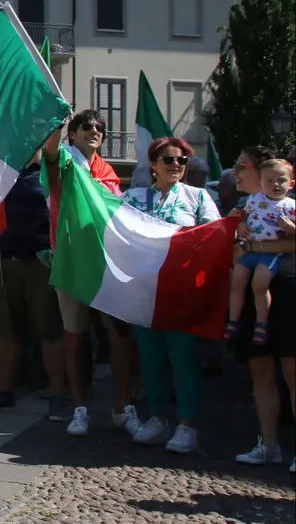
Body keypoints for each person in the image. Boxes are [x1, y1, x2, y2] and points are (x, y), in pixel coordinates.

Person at [119, 136, 221, 454]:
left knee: (183, 356)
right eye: (169, 160)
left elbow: (215, 235)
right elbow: (120, 232)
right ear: (153, 164)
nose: (176, 165)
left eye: (181, 160)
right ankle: (158, 417)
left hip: (183, 291)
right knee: (150, 358)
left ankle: (187, 425)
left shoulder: (198, 197)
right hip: (145, 291)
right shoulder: (134, 197)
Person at [43, 115, 140, 438]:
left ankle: (122, 408)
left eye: (100, 128)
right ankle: (80, 409)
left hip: (107, 262)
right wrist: (56, 124)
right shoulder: (67, 163)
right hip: (71, 260)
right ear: (73, 133)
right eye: (87, 127)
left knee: (120, 337)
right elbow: (52, 154)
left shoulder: (109, 174)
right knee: (75, 337)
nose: (95, 132)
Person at [0, 154, 62, 417]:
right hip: (3, 259)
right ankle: (4, 391)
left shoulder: (47, 171)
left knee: (49, 329)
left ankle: (57, 394)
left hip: (39, 261)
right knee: (6, 328)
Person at [228, 145, 296, 470]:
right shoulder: (244, 208)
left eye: (242, 166)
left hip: (288, 292)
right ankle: (269, 445)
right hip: (257, 297)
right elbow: (233, 252)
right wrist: (240, 239)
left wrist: (253, 245)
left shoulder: (289, 203)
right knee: (261, 369)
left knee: (293, 371)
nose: (236, 172)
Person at [225, 159, 293, 345]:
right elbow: (243, 215)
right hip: (248, 249)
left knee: (259, 285)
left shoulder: (291, 206)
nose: (276, 185)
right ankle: (233, 321)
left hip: (271, 253)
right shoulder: (254, 199)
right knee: (237, 282)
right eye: (269, 181)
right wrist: (240, 224)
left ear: (291, 183)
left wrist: (291, 227)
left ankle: (261, 323)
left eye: (281, 180)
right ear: (261, 184)